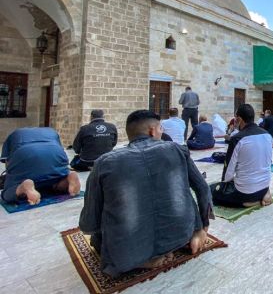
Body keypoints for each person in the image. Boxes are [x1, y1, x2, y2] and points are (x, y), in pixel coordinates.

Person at [79, 110, 211, 278]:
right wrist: (201, 228)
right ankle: (165, 247)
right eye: (161, 129)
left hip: (129, 252)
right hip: (180, 236)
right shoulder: (177, 150)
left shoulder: (105, 162)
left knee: (97, 237)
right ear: (152, 131)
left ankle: (141, 259)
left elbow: (89, 224)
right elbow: (202, 188)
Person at [211, 104, 272, 207]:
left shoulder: (237, 139)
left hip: (244, 192)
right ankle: (263, 195)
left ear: (239, 119)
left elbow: (228, 173)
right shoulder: (267, 135)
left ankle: (246, 202)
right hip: (264, 187)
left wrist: (224, 184)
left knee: (211, 191)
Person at [1, 128, 80, 205]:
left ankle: (24, 186)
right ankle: (67, 178)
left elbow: (7, 163)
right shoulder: (51, 131)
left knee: (8, 193)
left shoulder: (14, 135)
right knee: (56, 181)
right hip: (54, 151)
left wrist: (12, 181)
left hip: (25, 154)